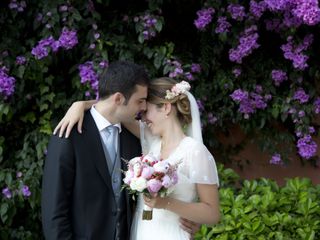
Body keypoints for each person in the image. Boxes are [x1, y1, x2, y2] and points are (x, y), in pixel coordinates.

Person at [54, 77, 220, 239]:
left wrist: (165, 204)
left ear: (166, 108)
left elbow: (212, 213)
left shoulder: (195, 151)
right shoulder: (152, 142)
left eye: (146, 111)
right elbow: (113, 106)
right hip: (141, 232)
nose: (143, 118)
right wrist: (80, 105)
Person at [41, 60, 150, 240]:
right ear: (118, 99)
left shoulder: (133, 137)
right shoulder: (69, 135)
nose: (144, 108)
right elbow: (54, 212)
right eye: (140, 101)